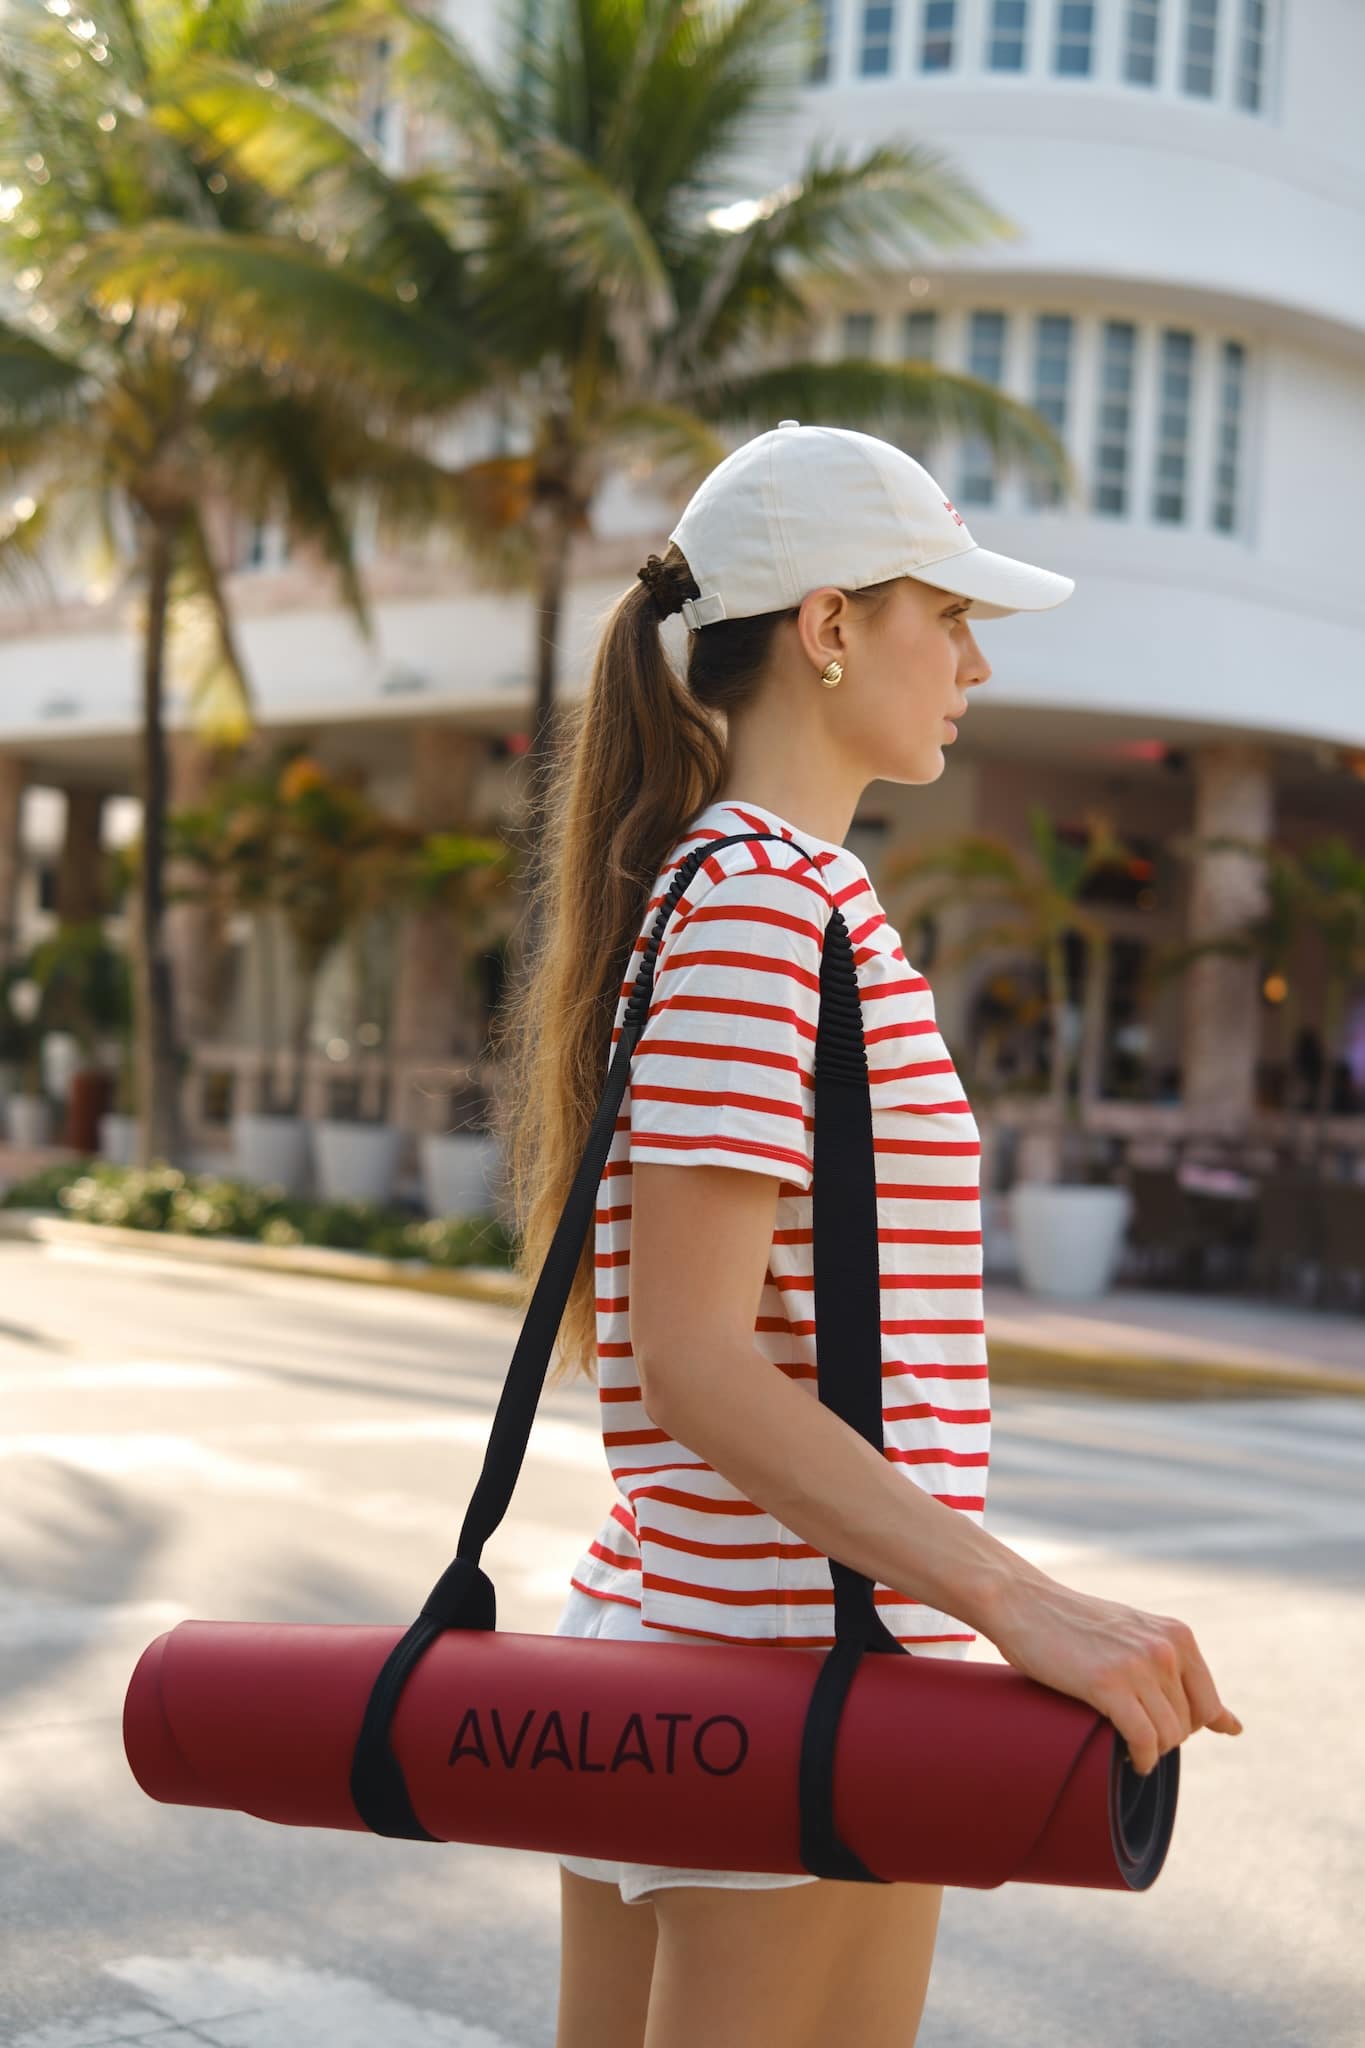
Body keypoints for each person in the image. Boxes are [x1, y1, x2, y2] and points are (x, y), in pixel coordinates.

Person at [491, 422, 1243, 2048]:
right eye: (945, 613)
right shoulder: (767, 906)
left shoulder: (735, 890)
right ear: (829, 631)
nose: (973, 657)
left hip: (695, 1645)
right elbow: (693, 1359)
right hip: (790, 1672)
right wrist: (1017, 1602)